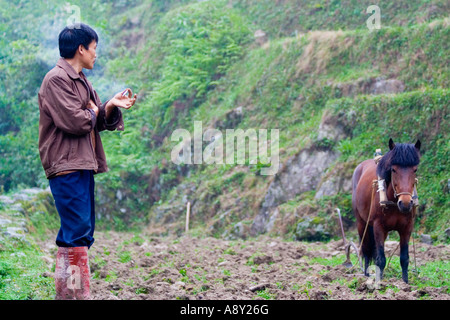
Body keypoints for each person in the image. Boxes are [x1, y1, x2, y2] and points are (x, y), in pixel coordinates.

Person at [38, 23, 137, 300]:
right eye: (94, 49)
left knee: (81, 228)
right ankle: (74, 296)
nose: (96, 54)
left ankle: (69, 293)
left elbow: (93, 119)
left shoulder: (81, 80)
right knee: (77, 229)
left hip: (81, 163)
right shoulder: (56, 79)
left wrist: (109, 106)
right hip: (65, 165)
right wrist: (93, 111)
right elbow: (75, 121)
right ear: (80, 49)